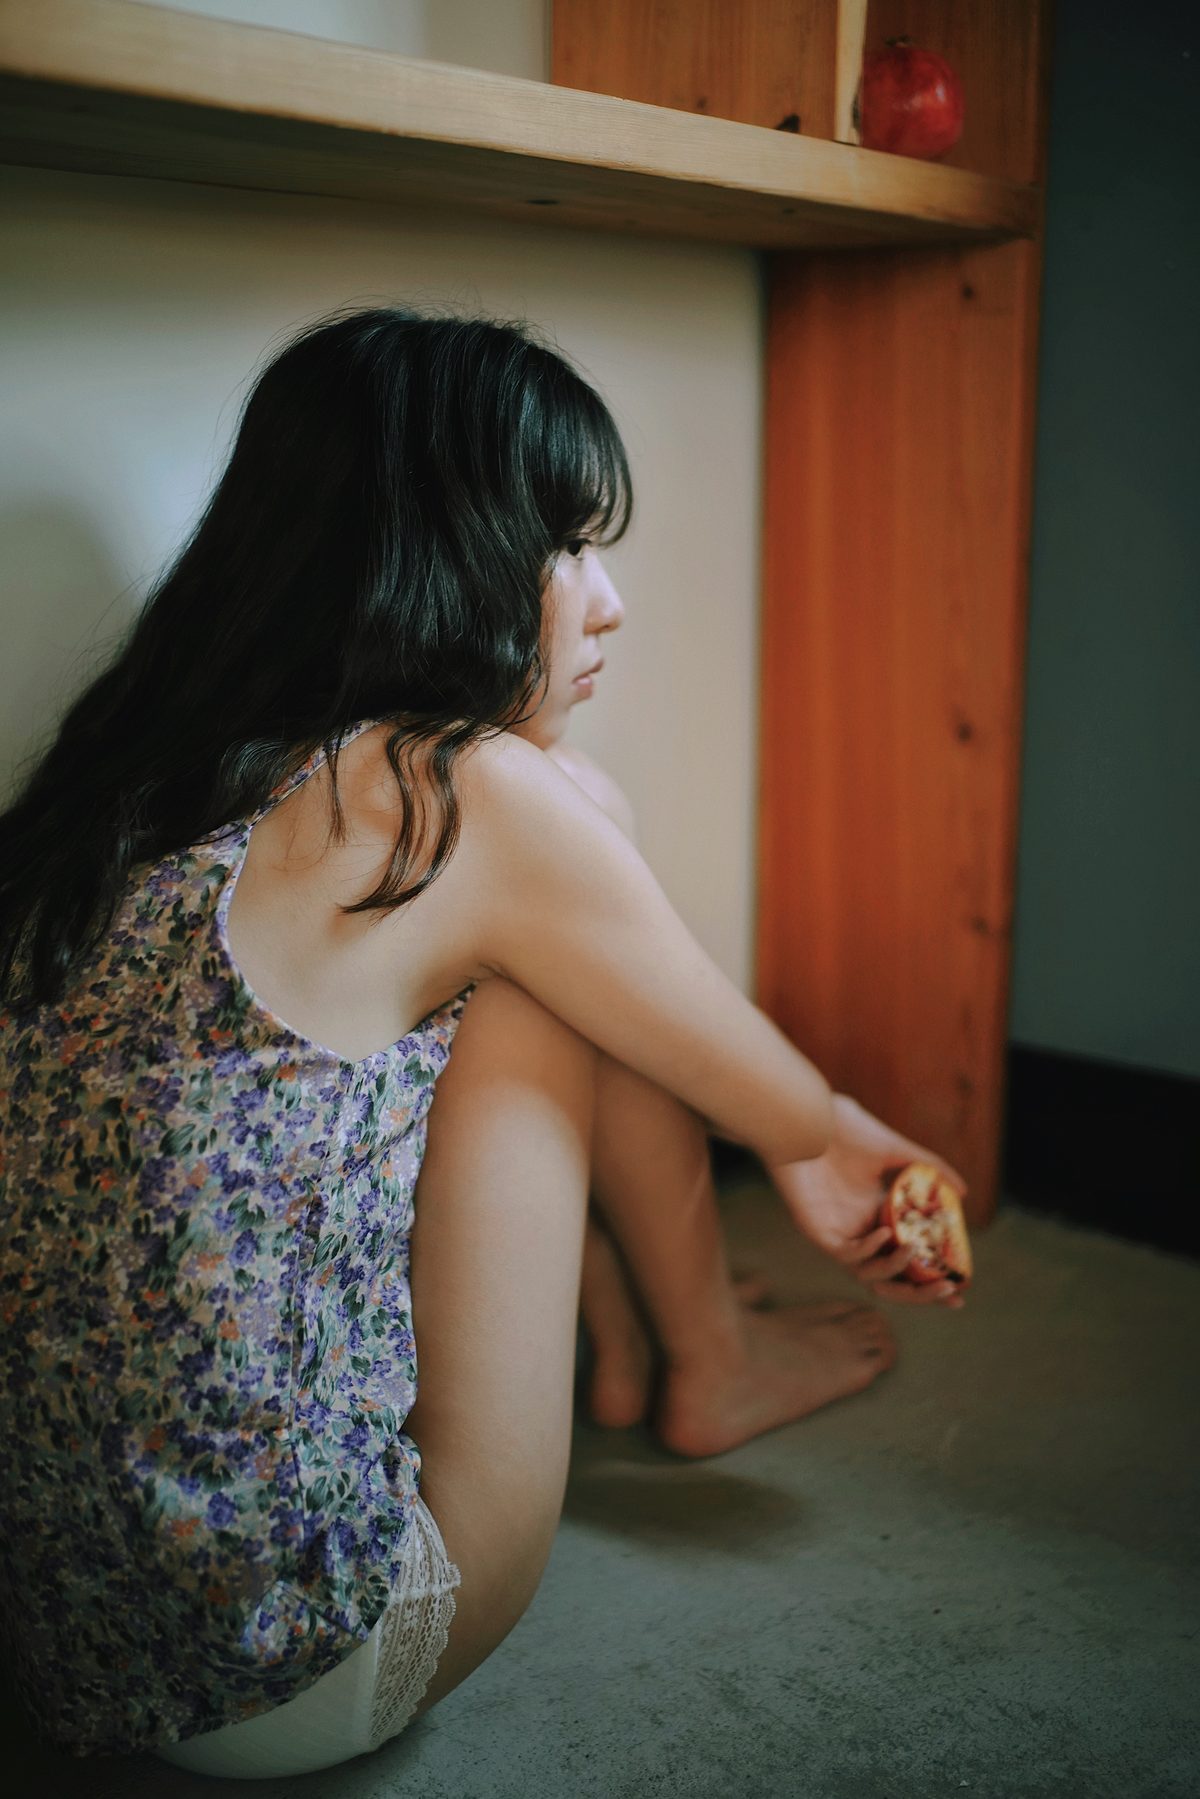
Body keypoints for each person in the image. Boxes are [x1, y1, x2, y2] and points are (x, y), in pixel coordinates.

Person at [0, 305, 967, 1781]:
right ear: (429, 558)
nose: (609, 602)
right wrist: (831, 1139)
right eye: (566, 546)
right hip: (295, 1662)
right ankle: (701, 1352)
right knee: (561, 891)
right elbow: (767, 1099)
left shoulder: (116, 785)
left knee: (542, 896)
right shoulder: (443, 794)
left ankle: (650, 1341)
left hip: (50, 1636)